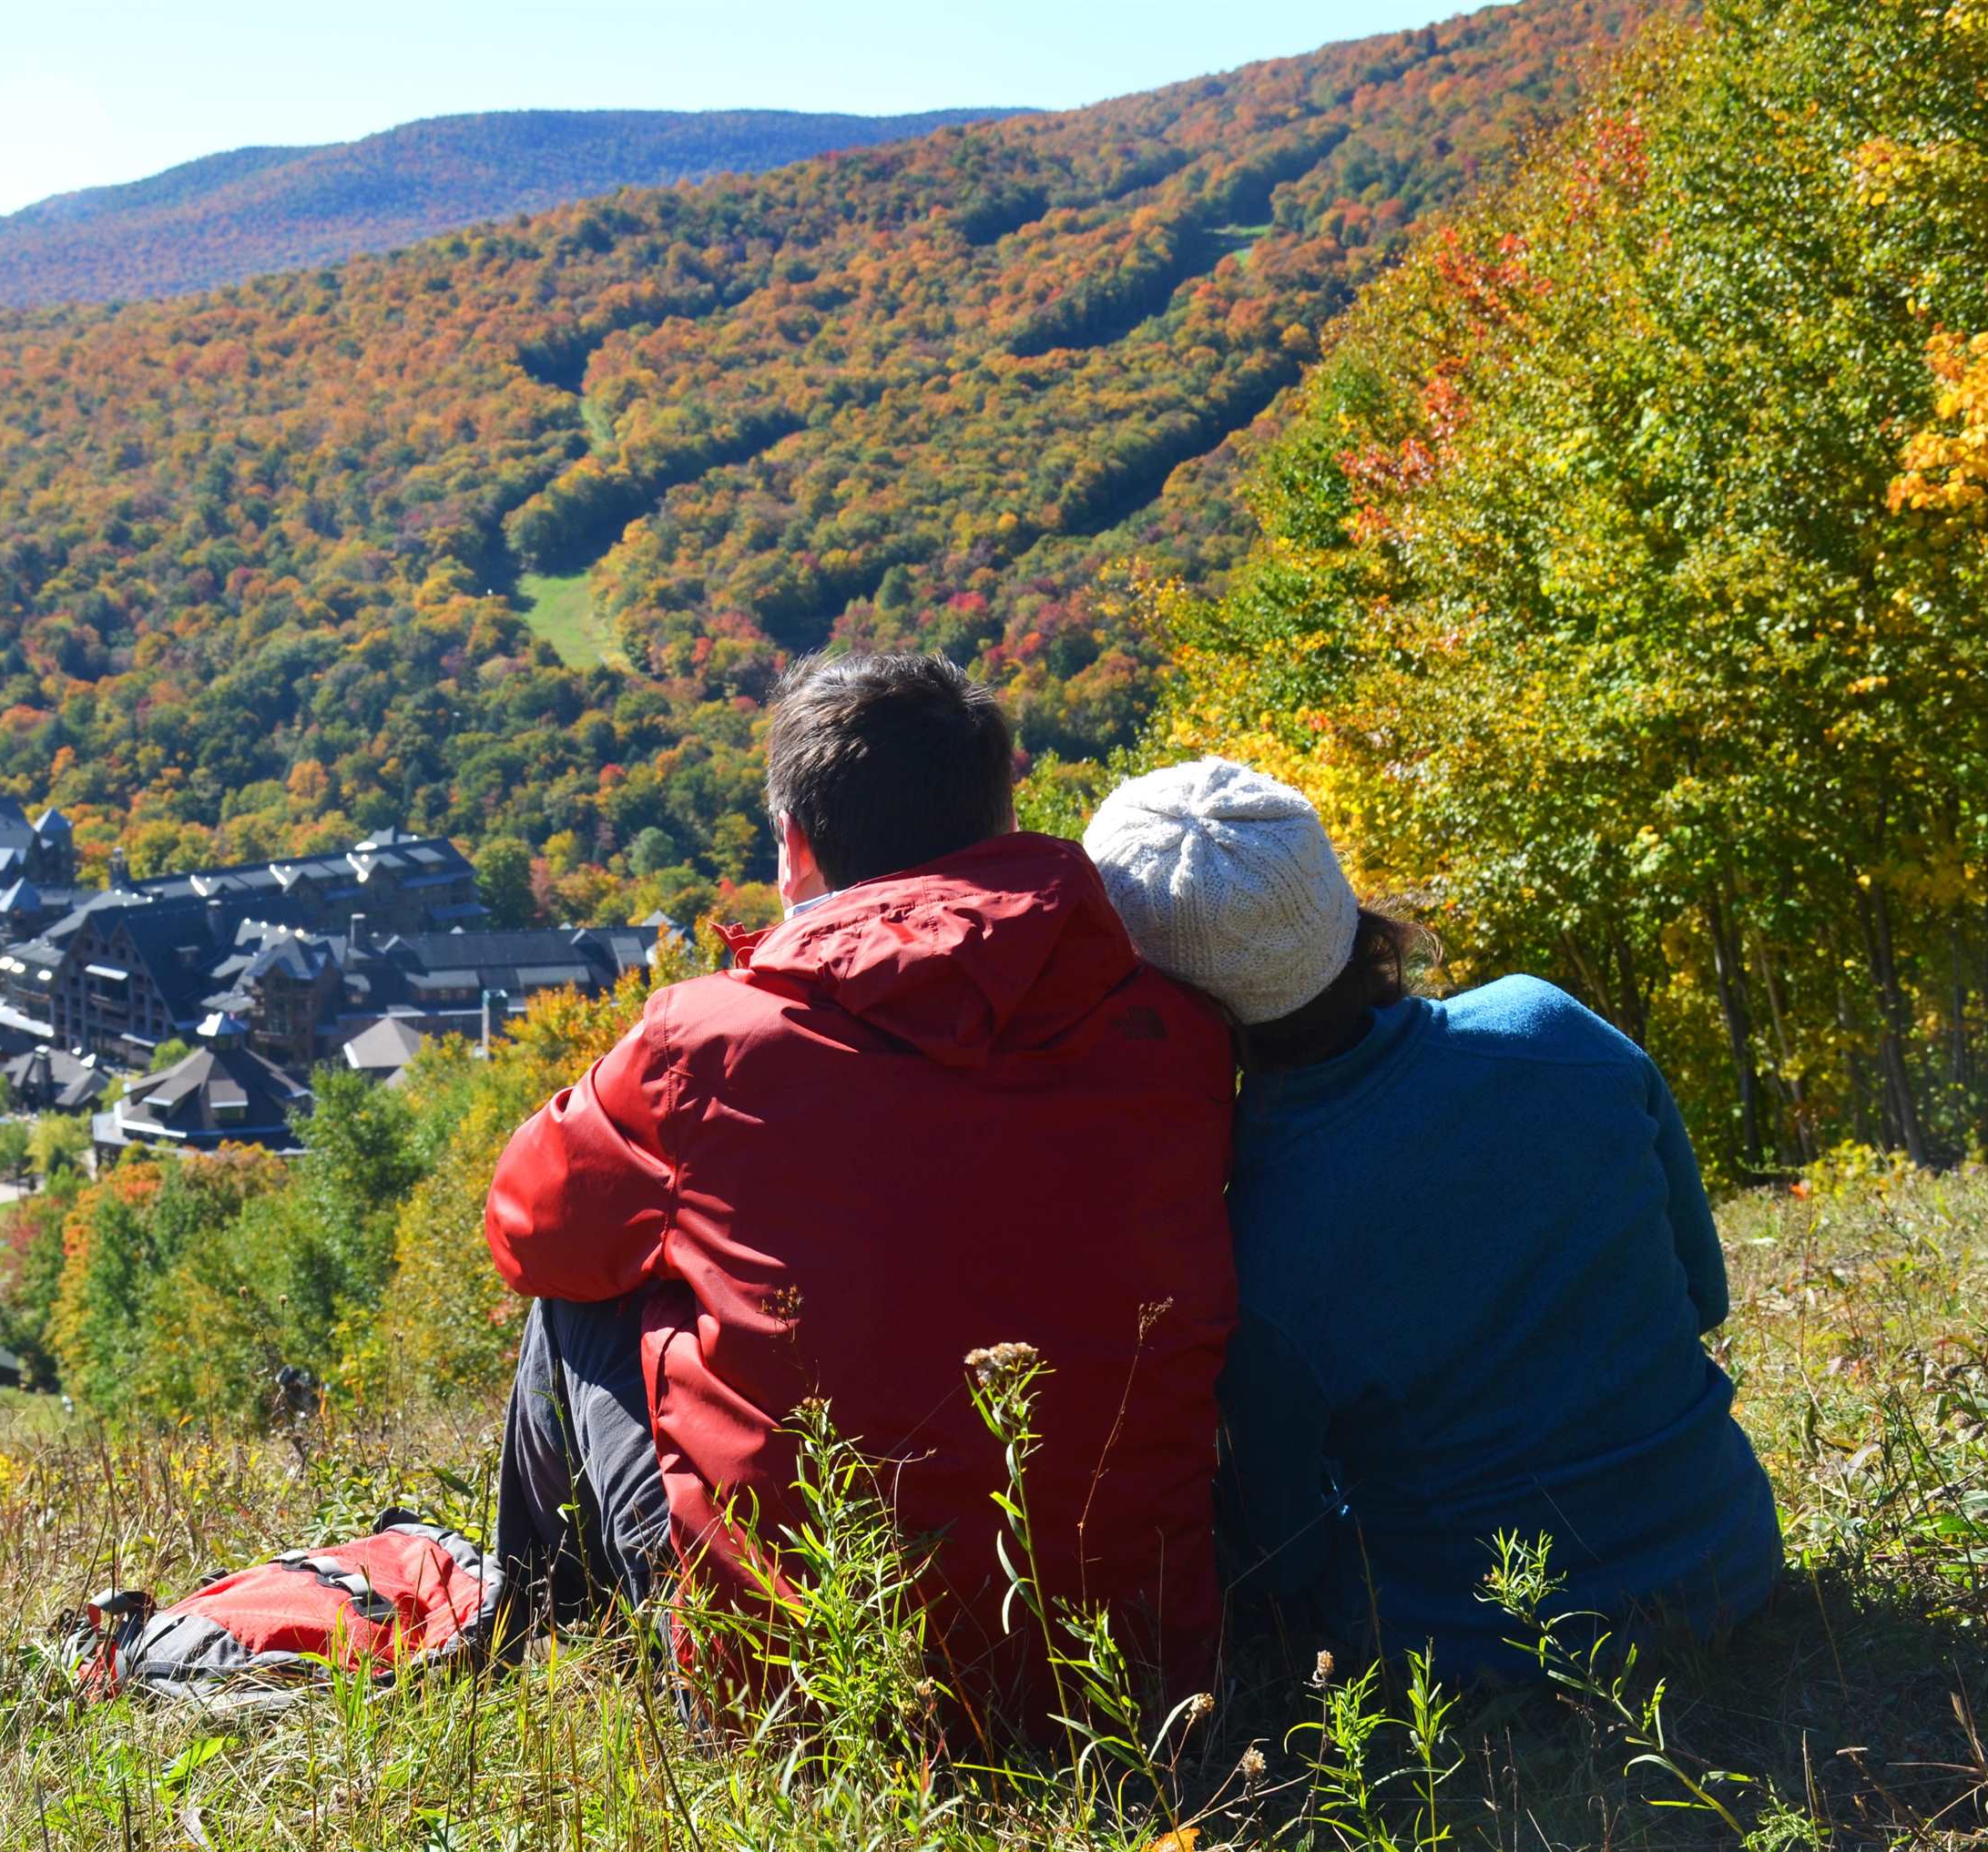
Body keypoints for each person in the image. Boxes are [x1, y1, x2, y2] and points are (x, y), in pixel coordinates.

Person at [484, 651, 1239, 1736]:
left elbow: (529, 1233)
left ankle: (537, 1652)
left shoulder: (708, 1043)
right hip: (1131, 1680)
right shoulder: (1172, 1031)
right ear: (999, 816)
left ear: (796, 847)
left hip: (809, 1691)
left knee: (578, 1304)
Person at [1084, 758, 1779, 1674]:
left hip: (1475, 1644)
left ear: (1163, 999)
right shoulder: (1555, 1031)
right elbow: (1702, 1293)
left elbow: (1284, 1544)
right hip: (1730, 1558)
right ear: (1334, 903)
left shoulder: (1248, 1231)